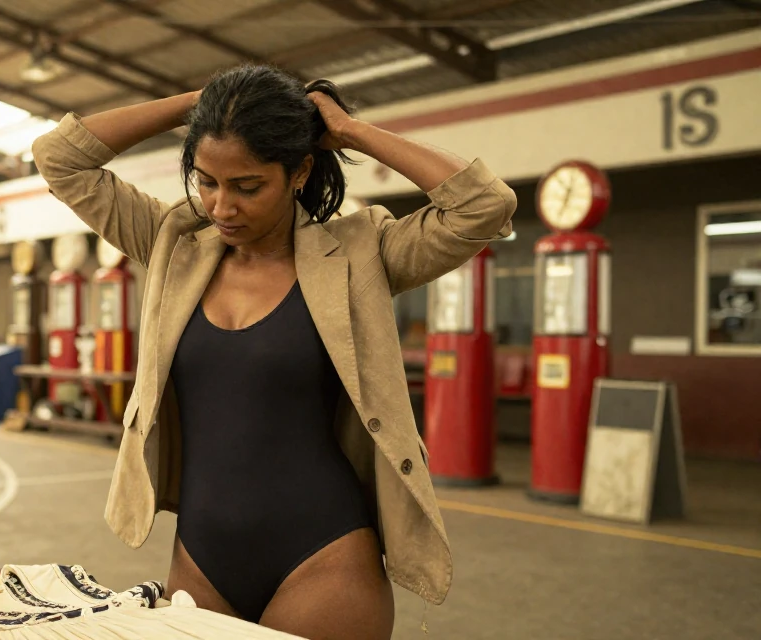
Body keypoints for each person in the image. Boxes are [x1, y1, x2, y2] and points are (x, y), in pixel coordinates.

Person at [32, 64, 516, 639]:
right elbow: (60, 158)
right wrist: (204, 102)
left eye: (247, 186)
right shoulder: (172, 244)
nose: (221, 207)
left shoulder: (362, 255)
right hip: (201, 558)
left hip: (324, 558)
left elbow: (484, 205)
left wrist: (351, 131)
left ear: (299, 171)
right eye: (206, 181)